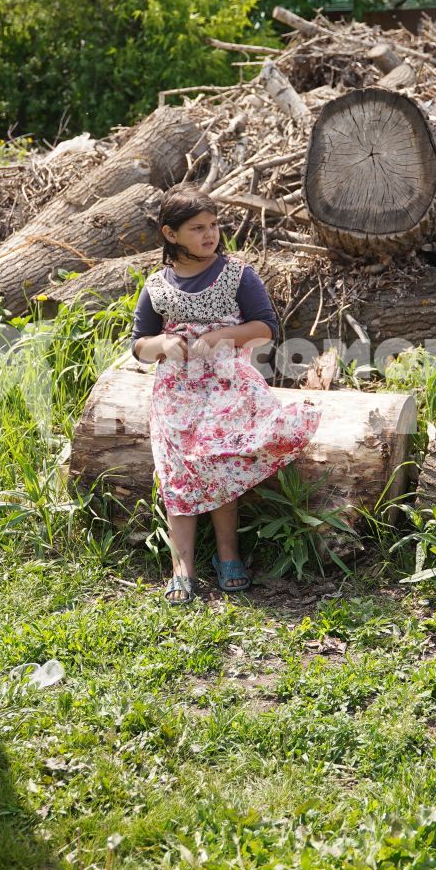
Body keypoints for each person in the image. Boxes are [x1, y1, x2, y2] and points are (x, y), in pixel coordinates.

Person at [130, 186, 319, 602]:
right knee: (177, 476)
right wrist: (161, 345)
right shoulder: (157, 286)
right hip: (176, 396)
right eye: (197, 228)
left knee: (221, 469)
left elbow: (265, 327)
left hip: (226, 391)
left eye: (213, 225)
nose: (210, 234)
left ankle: (227, 554)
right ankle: (182, 565)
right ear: (170, 233)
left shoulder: (236, 274)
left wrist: (222, 335)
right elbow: (139, 344)